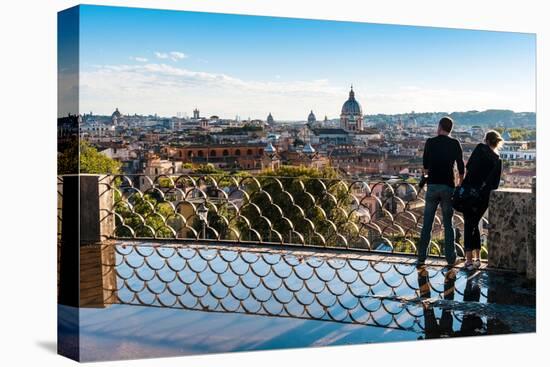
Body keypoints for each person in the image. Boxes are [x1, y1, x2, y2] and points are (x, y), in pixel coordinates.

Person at [417, 117, 465, 268]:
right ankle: (451, 259)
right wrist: (459, 183)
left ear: (439, 127)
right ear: (450, 129)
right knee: (448, 224)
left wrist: (427, 176)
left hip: (432, 186)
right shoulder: (455, 143)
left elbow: (425, 167)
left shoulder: (430, 142)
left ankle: (421, 257)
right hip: (448, 186)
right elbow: (461, 166)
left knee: (427, 224)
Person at [461, 130, 503, 271]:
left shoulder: (480, 148)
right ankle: (478, 258)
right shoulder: (498, 160)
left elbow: (469, 167)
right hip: (483, 197)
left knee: (469, 225)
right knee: (474, 224)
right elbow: (495, 184)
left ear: (486, 140)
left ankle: (468, 261)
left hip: (470, 193)